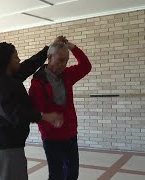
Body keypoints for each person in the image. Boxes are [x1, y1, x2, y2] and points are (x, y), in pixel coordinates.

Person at [0, 37, 66, 180]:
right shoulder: (1, 83)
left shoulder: (9, 76)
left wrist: (49, 48)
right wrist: (44, 116)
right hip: (5, 145)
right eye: (16, 57)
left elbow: (29, 65)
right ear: (7, 61)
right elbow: (13, 113)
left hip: (9, 143)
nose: (19, 59)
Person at [29, 40, 92, 180]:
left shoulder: (67, 75)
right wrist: (48, 124)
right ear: (50, 57)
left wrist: (72, 47)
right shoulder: (38, 83)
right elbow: (36, 113)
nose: (63, 65)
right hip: (52, 138)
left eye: (66, 61)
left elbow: (86, 66)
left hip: (70, 134)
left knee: (72, 174)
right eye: (60, 60)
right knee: (56, 175)